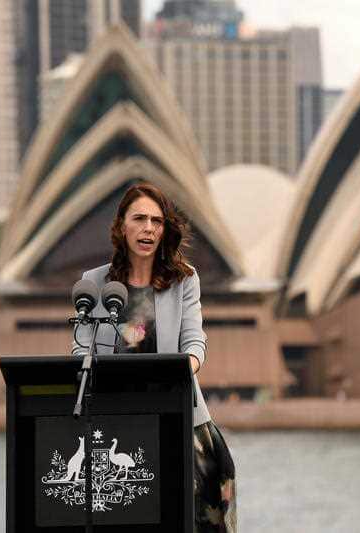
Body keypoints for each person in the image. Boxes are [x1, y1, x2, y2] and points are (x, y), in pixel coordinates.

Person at [72, 182, 237, 532]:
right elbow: (81, 346)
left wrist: (182, 369)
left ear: (164, 230)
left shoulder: (184, 279)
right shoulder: (94, 282)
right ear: (122, 226)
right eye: (139, 219)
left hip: (180, 415)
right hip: (118, 418)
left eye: (157, 221)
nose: (148, 228)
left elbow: (194, 342)